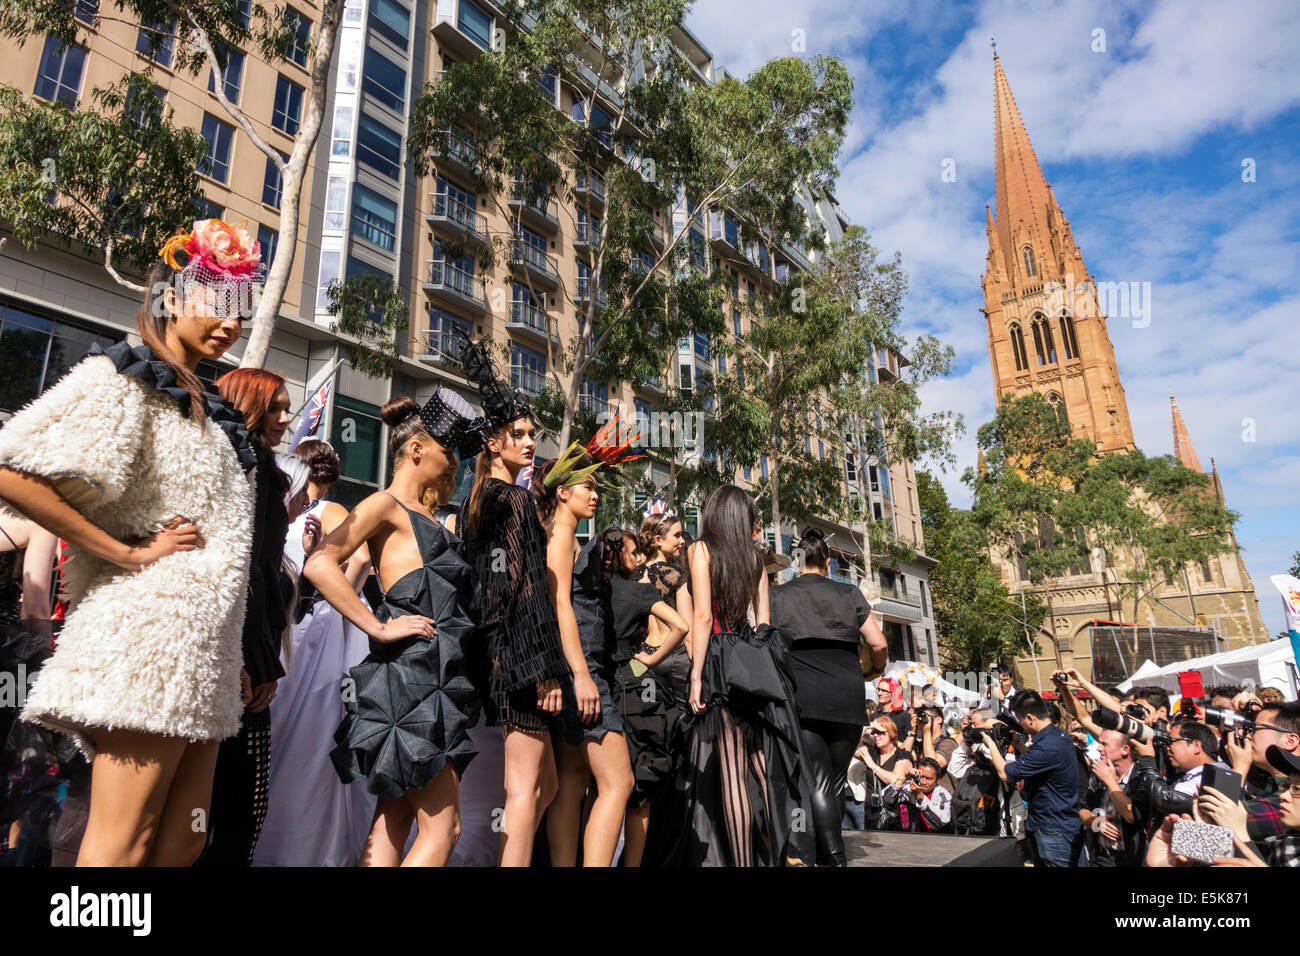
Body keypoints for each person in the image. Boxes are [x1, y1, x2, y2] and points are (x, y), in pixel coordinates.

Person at [0, 217, 259, 865]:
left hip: (206, 659)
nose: (230, 322)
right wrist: (124, 552)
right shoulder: (126, 377)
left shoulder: (206, 402)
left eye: (240, 308)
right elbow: (14, 467)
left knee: (186, 837)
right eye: (216, 301)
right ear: (171, 297)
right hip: (147, 643)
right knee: (123, 841)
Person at [304, 389, 488, 866]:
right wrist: (378, 627)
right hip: (411, 680)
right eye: (448, 453)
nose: (452, 465)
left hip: (432, 681)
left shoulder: (431, 516)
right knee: (443, 830)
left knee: (395, 820)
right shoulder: (384, 504)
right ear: (416, 449)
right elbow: (321, 564)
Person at [454, 337, 570, 866]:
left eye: (531, 434)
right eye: (518, 435)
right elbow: (527, 591)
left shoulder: (474, 503)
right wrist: (543, 669)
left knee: (543, 782)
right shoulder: (517, 499)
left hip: (493, 653)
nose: (529, 443)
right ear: (494, 444)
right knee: (524, 787)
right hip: (519, 658)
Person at [671, 484, 810, 866]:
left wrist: (696, 675)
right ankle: (787, 854)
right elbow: (765, 624)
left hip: (717, 660)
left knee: (733, 772)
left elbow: (701, 616)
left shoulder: (699, 550)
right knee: (762, 765)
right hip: (753, 665)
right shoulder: (753, 559)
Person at [254, 440, 376, 867]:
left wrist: (330, 604)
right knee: (300, 733)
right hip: (302, 626)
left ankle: (283, 842)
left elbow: (361, 560)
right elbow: (359, 564)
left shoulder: (317, 511)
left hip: (300, 628)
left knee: (296, 729)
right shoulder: (310, 512)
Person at [197, 367, 294, 867]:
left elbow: (265, 572)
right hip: (232, 652)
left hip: (252, 649)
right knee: (231, 805)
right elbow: (241, 569)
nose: (284, 417)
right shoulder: (243, 464)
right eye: (274, 407)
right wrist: (246, 656)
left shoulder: (263, 467)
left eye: (286, 407)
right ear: (246, 404)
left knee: (232, 806)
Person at [531, 440, 638, 868]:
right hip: (582, 670)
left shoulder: (566, 535)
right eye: (587, 487)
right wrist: (580, 674)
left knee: (573, 780)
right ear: (562, 492)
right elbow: (560, 607)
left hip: (579, 669)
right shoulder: (558, 533)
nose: (595, 495)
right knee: (618, 782)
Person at [770, 526, 887, 865]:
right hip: (848, 694)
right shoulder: (849, 594)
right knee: (835, 781)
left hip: (804, 696)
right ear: (829, 560)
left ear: (797, 559)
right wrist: (874, 670)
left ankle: (834, 857)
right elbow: (878, 643)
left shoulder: (779, 595)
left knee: (819, 780)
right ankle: (827, 851)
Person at [602, 525, 689, 867]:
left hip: (598, 685)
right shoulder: (637, 591)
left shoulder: (590, 589)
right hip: (632, 685)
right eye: (633, 552)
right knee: (639, 794)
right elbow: (681, 626)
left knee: (599, 790)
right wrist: (649, 659)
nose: (639, 559)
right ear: (620, 554)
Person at [984, 689, 1086, 867]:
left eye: (1020, 720)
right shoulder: (1058, 736)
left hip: (1053, 830)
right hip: (1063, 824)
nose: (1020, 725)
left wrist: (990, 743)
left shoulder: (1046, 747)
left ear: (1030, 717)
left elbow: (1005, 773)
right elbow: (1041, 761)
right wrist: (1019, 745)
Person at [1222, 700, 1300, 843]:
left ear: (1290, 741)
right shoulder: (1270, 785)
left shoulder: (1291, 801)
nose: (1247, 735)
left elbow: (1220, 823)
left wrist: (1239, 768)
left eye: (1255, 730)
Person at [638, 513, 693, 703]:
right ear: (658, 540)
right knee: (683, 720)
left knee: (651, 716)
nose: (682, 542)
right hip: (675, 656)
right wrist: (698, 673)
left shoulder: (633, 575)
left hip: (642, 658)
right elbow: (688, 630)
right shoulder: (677, 576)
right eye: (677, 535)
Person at [1081, 729, 1151, 866]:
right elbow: (1082, 808)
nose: (1099, 748)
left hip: (1132, 860)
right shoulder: (1098, 776)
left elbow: (1131, 815)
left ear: (1124, 750)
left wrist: (1109, 781)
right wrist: (1095, 822)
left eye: (1104, 744)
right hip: (1102, 857)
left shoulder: (1142, 778)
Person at [1144, 720, 1231, 831]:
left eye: (1171, 741)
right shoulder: (1198, 773)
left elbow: (1166, 799)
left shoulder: (1216, 776)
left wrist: (1147, 760)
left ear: (1195, 746)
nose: (1167, 747)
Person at [858, 717, 913, 829]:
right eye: (873, 732)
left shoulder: (902, 755)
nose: (875, 735)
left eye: (880, 732)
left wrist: (872, 765)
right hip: (871, 814)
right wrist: (866, 728)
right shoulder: (873, 753)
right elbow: (851, 748)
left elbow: (894, 780)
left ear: (891, 733)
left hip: (893, 815)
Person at [896, 757, 953, 833]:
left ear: (938, 778)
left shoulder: (943, 795)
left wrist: (920, 797)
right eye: (921, 776)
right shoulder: (909, 787)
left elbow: (941, 823)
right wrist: (903, 778)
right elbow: (887, 801)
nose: (923, 782)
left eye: (928, 778)